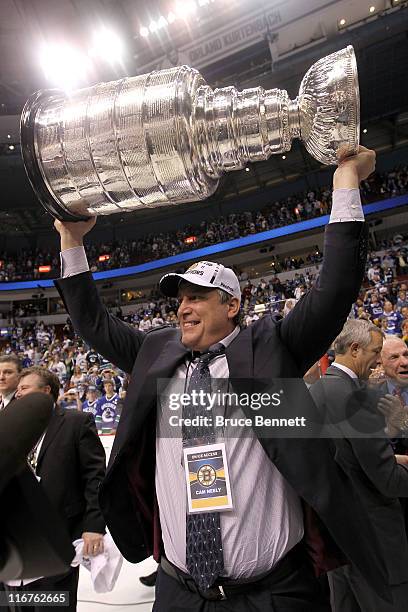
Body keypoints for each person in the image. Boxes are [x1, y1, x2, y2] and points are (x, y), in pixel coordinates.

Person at [54, 148, 393, 611]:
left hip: (274, 593)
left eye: (198, 298)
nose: (183, 308)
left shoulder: (274, 346)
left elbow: (334, 289)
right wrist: (71, 241)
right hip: (180, 593)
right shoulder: (156, 350)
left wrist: (346, 182)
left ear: (232, 306)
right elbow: (94, 324)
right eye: (180, 300)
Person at [310, 320, 408, 611]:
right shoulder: (355, 396)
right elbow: (387, 480)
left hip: (340, 541)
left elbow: (348, 459)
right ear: (355, 349)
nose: (378, 359)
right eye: (377, 351)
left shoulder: (318, 391)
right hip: (376, 542)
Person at [4, 367, 106, 612]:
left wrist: (93, 525)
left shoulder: (75, 422)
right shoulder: (12, 425)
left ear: (46, 391)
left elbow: (95, 477)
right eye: (17, 390)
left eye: (24, 388)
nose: (17, 394)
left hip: (59, 536)